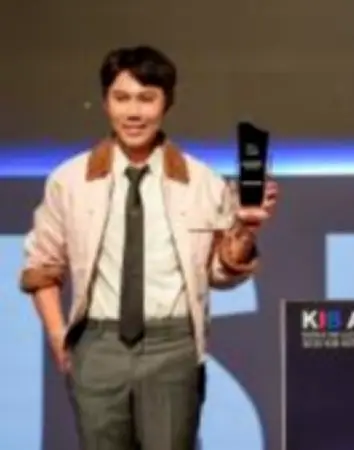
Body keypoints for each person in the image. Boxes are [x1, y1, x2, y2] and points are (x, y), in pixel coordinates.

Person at [18, 45, 278, 450]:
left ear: (166, 103)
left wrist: (245, 230)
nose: (133, 112)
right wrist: (57, 334)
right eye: (121, 98)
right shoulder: (68, 180)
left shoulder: (202, 181)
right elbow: (42, 265)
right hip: (97, 345)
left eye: (146, 98)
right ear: (105, 102)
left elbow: (221, 274)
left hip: (172, 345)